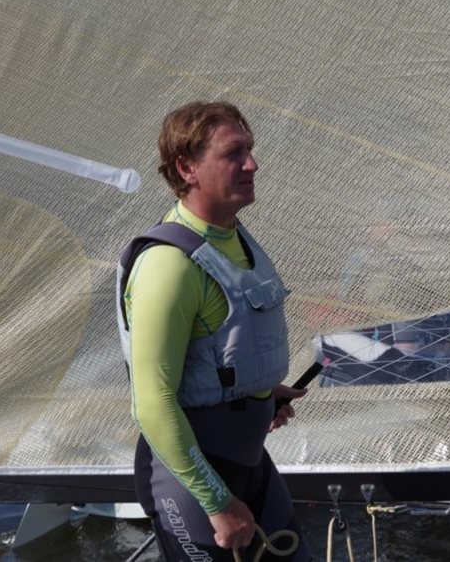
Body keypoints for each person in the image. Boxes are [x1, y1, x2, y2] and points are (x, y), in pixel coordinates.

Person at [117, 101, 311, 561]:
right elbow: (152, 403)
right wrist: (218, 503)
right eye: (233, 154)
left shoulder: (235, 237)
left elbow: (220, 348)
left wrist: (258, 393)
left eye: (250, 150)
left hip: (248, 462)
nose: (252, 164)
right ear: (187, 168)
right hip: (193, 482)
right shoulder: (168, 265)